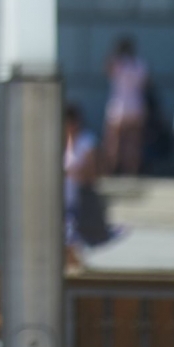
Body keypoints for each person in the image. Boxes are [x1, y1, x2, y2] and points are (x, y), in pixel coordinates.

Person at [64, 103, 117, 272]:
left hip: (81, 198)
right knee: (66, 240)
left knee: (70, 237)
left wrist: (70, 172)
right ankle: (76, 269)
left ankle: (78, 270)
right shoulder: (64, 142)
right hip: (65, 196)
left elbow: (91, 173)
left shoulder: (87, 141)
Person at [103, 36, 148, 175]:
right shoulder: (140, 64)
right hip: (136, 107)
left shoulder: (117, 63)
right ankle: (131, 170)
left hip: (118, 108)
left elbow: (107, 69)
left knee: (114, 142)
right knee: (133, 143)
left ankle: (112, 170)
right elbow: (146, 83)